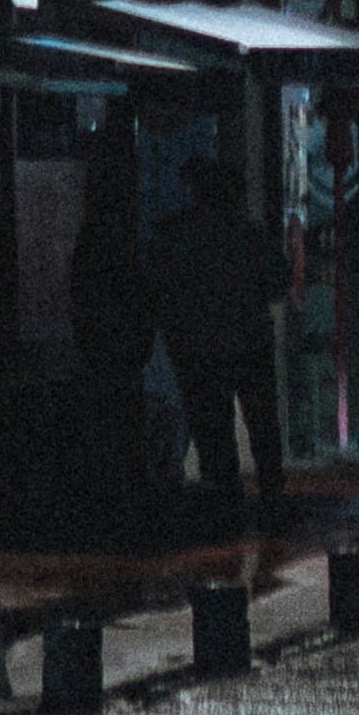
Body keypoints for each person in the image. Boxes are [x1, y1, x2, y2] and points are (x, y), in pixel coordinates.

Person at [145, 144, 287, 527]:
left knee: (214, 430)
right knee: (262, 425)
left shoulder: (176, 236)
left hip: (198, 348)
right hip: (249, 342)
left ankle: (226, 500)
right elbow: (278, 284)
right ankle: (272, 495)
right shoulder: (251, 237)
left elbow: (159, 288)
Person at [63, 102, 159, 538]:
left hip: (104, 353)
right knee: (120, 430)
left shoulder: (95, 242)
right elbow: (135, 296)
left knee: (107, 430)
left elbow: (83, 296)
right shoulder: (120, 243)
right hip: (117, 354)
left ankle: (111, 503)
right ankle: (124, 504)